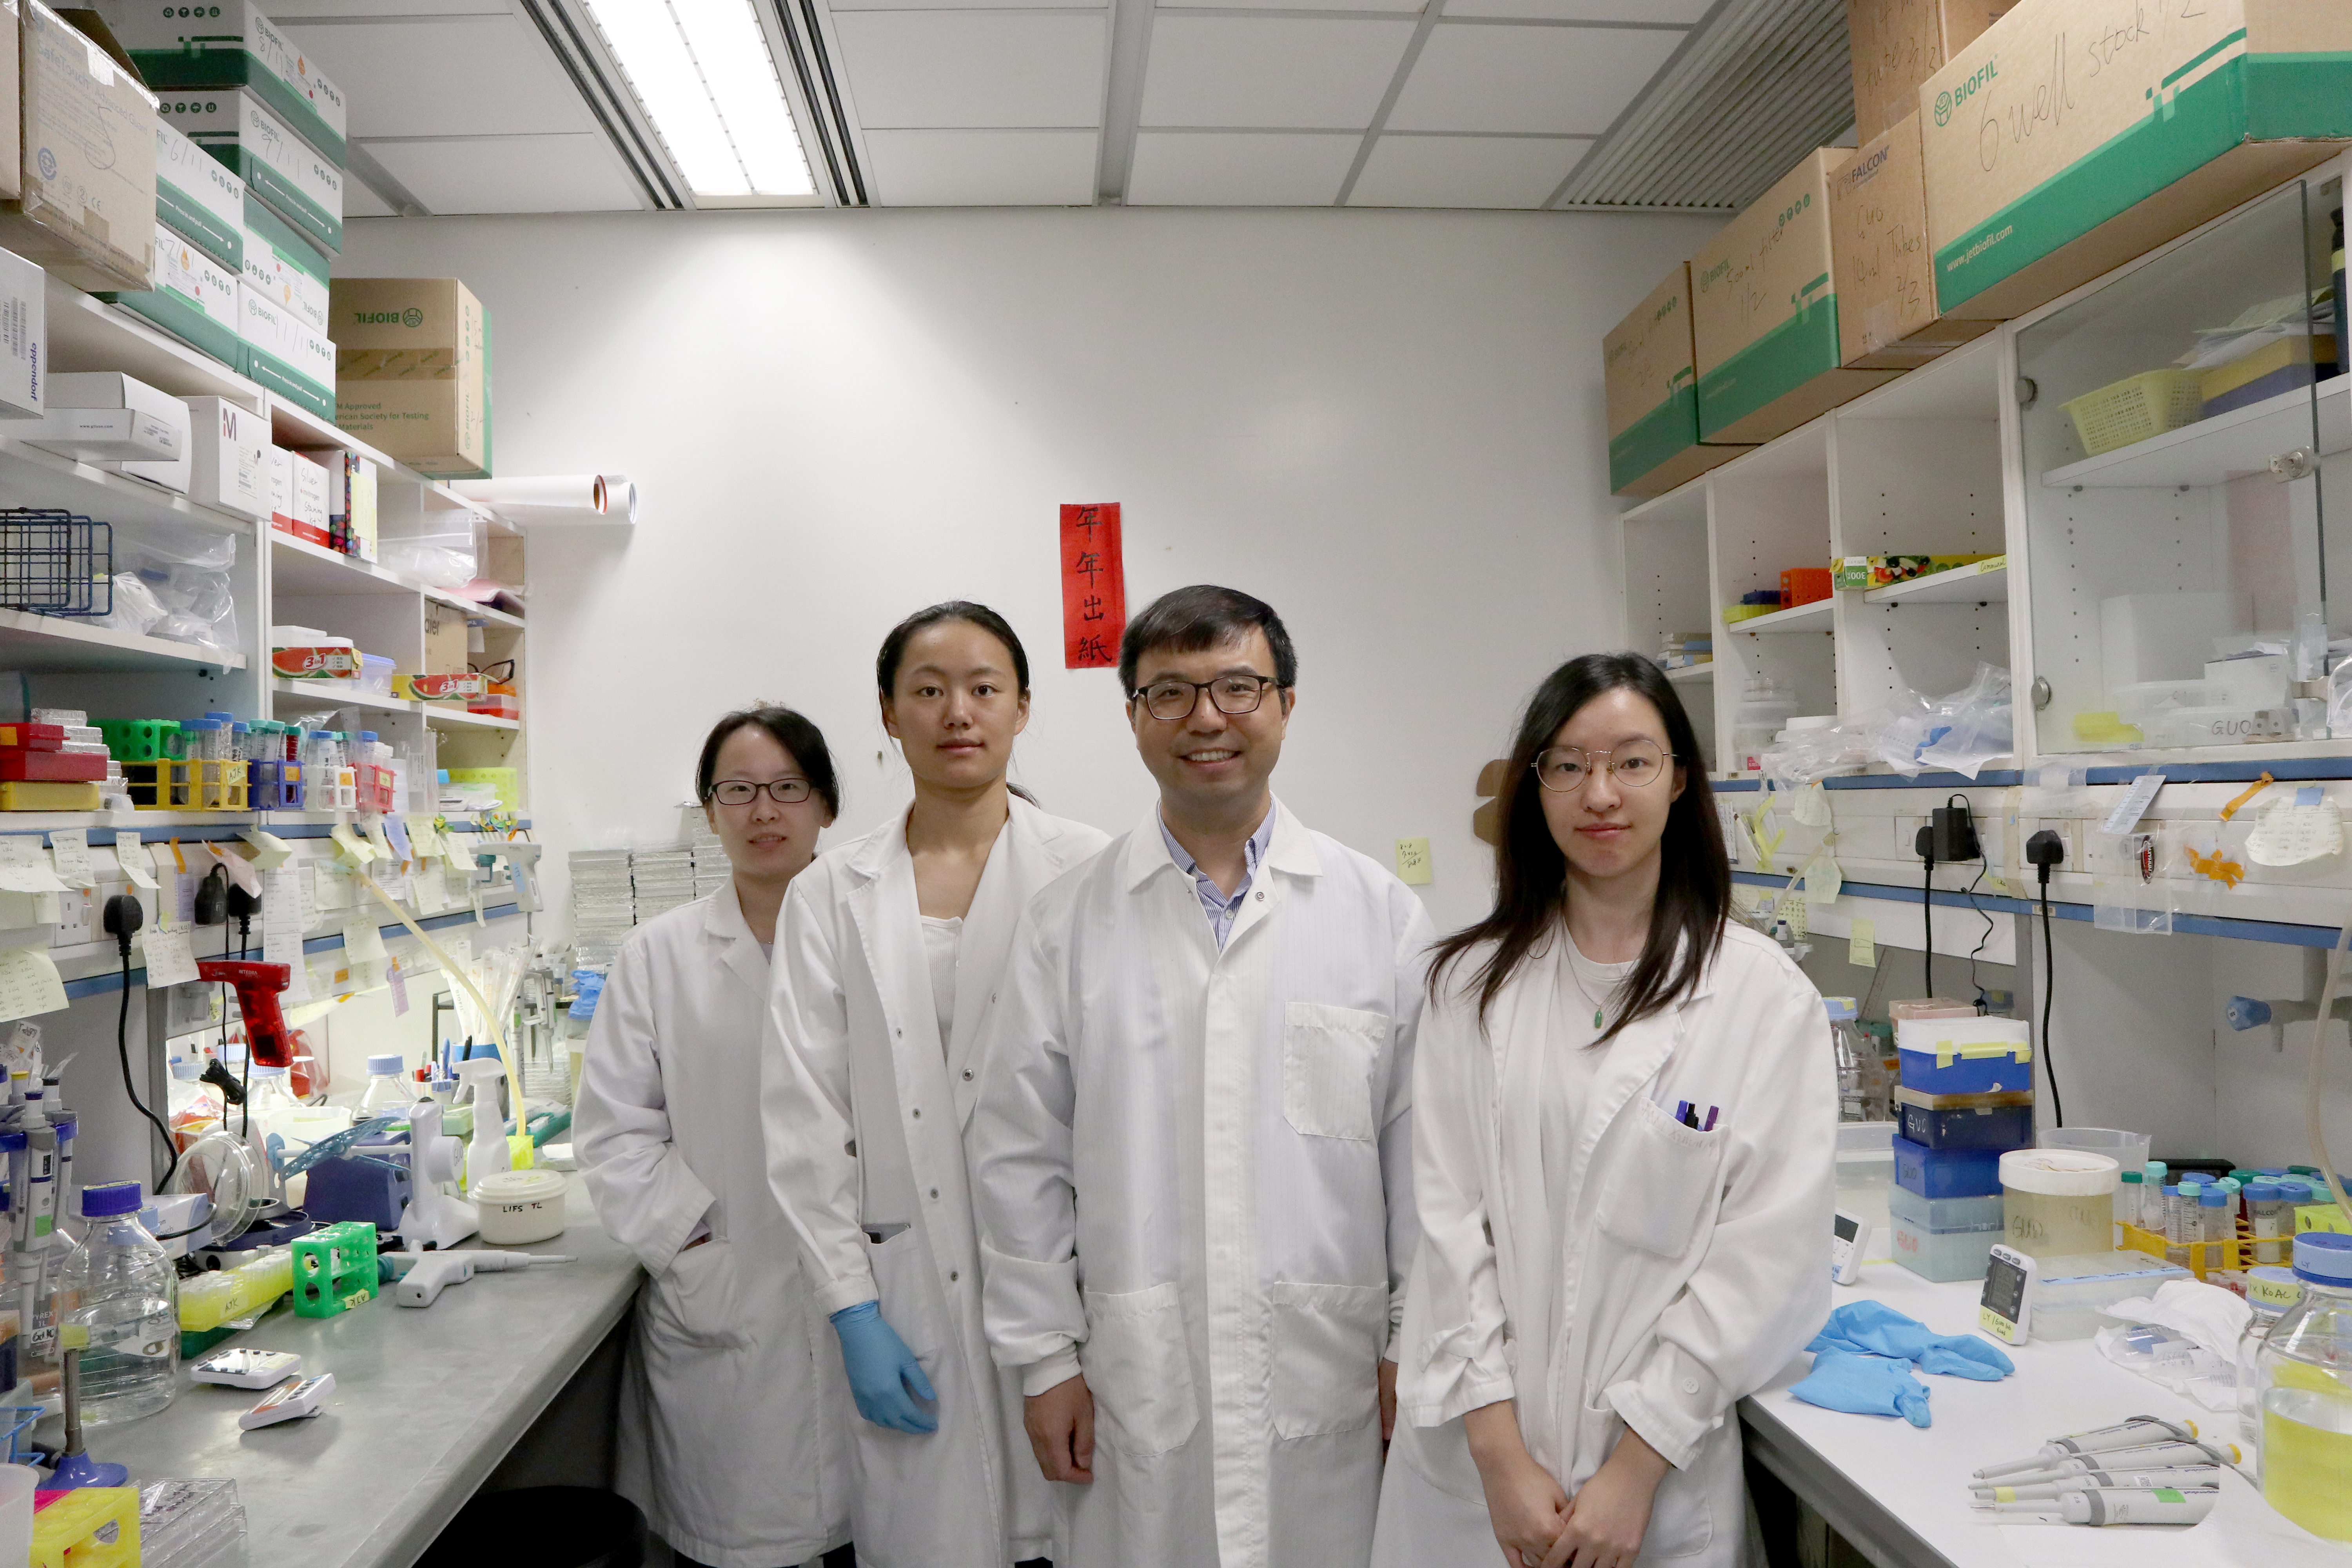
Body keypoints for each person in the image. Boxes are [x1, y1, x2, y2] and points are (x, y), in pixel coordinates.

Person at [967, 584, 1433, 1568]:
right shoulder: (1067, 922)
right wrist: (1047, 1359)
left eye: (1236, 686)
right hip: (1140, 1379)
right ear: (1133, 715)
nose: (1207, 718)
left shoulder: (1378, 913)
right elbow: (1019, 1158)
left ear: (1287, 702)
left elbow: (1422, 1153)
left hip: (1332, 1380)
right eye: (1169, 692)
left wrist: (1410, 1341)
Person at [1369, 653, 1834, 1568]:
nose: (1602, 793)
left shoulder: (1760, 997)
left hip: (1654, 1490)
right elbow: (1449, 1228)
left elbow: (1766, 1263)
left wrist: (1636, 1465)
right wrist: (1499, 1455)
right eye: (1569, 764)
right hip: (1472, 1475)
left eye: (1633, 761)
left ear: (1680, 779)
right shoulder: (1468, 986)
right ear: (1534, 786)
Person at [763, 602, 1111, 1568]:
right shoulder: (832, 894)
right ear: (888, 713)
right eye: (928, 689)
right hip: (902, 1286)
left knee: (1082, 1533)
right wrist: (853, 1307)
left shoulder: (1091, 869)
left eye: (983, 687)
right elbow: (805, 1116)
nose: (957, 711)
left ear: (1023, 708)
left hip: (1068, 1281)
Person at [575, 704, 853, 1568]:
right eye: (737, 790)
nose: (763, 811)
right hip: (727, 1298)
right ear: (709, 810)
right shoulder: (657, 955)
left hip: (864, 1301)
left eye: (786, 788)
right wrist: (698, 1245)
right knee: (738, 1546)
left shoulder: (874, 939)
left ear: (825, 806)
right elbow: (616, 1133)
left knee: (878, 1531)